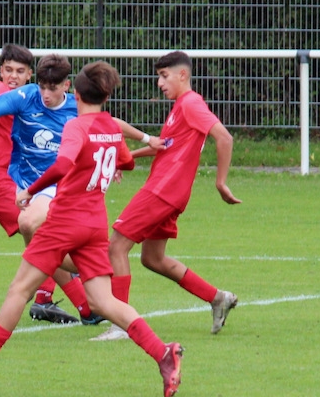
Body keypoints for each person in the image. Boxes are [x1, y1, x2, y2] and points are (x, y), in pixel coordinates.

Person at [0, 61, 184, 397]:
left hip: (65, 221)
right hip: (94, 223)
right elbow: (127, 162)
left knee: (19, 289)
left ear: (75, 94)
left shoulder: (75, 126)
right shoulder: (109, 126)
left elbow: (62, 164)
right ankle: (163, 353)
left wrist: (30, 191)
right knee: (104, 301)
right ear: (104, 96)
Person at [0, 53, 163, 326]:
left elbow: (111, 125)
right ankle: (87, 272)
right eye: (42, 87)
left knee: (28, 223)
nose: (45, 94)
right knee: (54, 248)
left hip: (56, 185)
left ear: (67, 86)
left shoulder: (76, 109)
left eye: (52, 88)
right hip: (25, 181)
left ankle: (48, 282)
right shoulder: (26, 96)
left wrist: (146, 139)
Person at [94, 50, 241, 341]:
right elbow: (164, 146)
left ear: (182, 75)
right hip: (170, 192)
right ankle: (217, 298)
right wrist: (125, 159)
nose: (160, 83)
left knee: (117, 246)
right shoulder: (180, 107)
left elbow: (224, 137)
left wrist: (221, 182)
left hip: (163, 190)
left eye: (164, 76)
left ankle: (121, 324)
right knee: (153, 258)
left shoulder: (191, 103)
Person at [0, 44, 66, 323]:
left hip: (19, 181)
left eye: (20, 71)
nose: (13, 76)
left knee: (47, 231)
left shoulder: (35, 97)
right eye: (8, 70)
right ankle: (83, 297)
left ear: (30, 74)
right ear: (0, 71)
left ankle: (47, 297)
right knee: (46, 232)